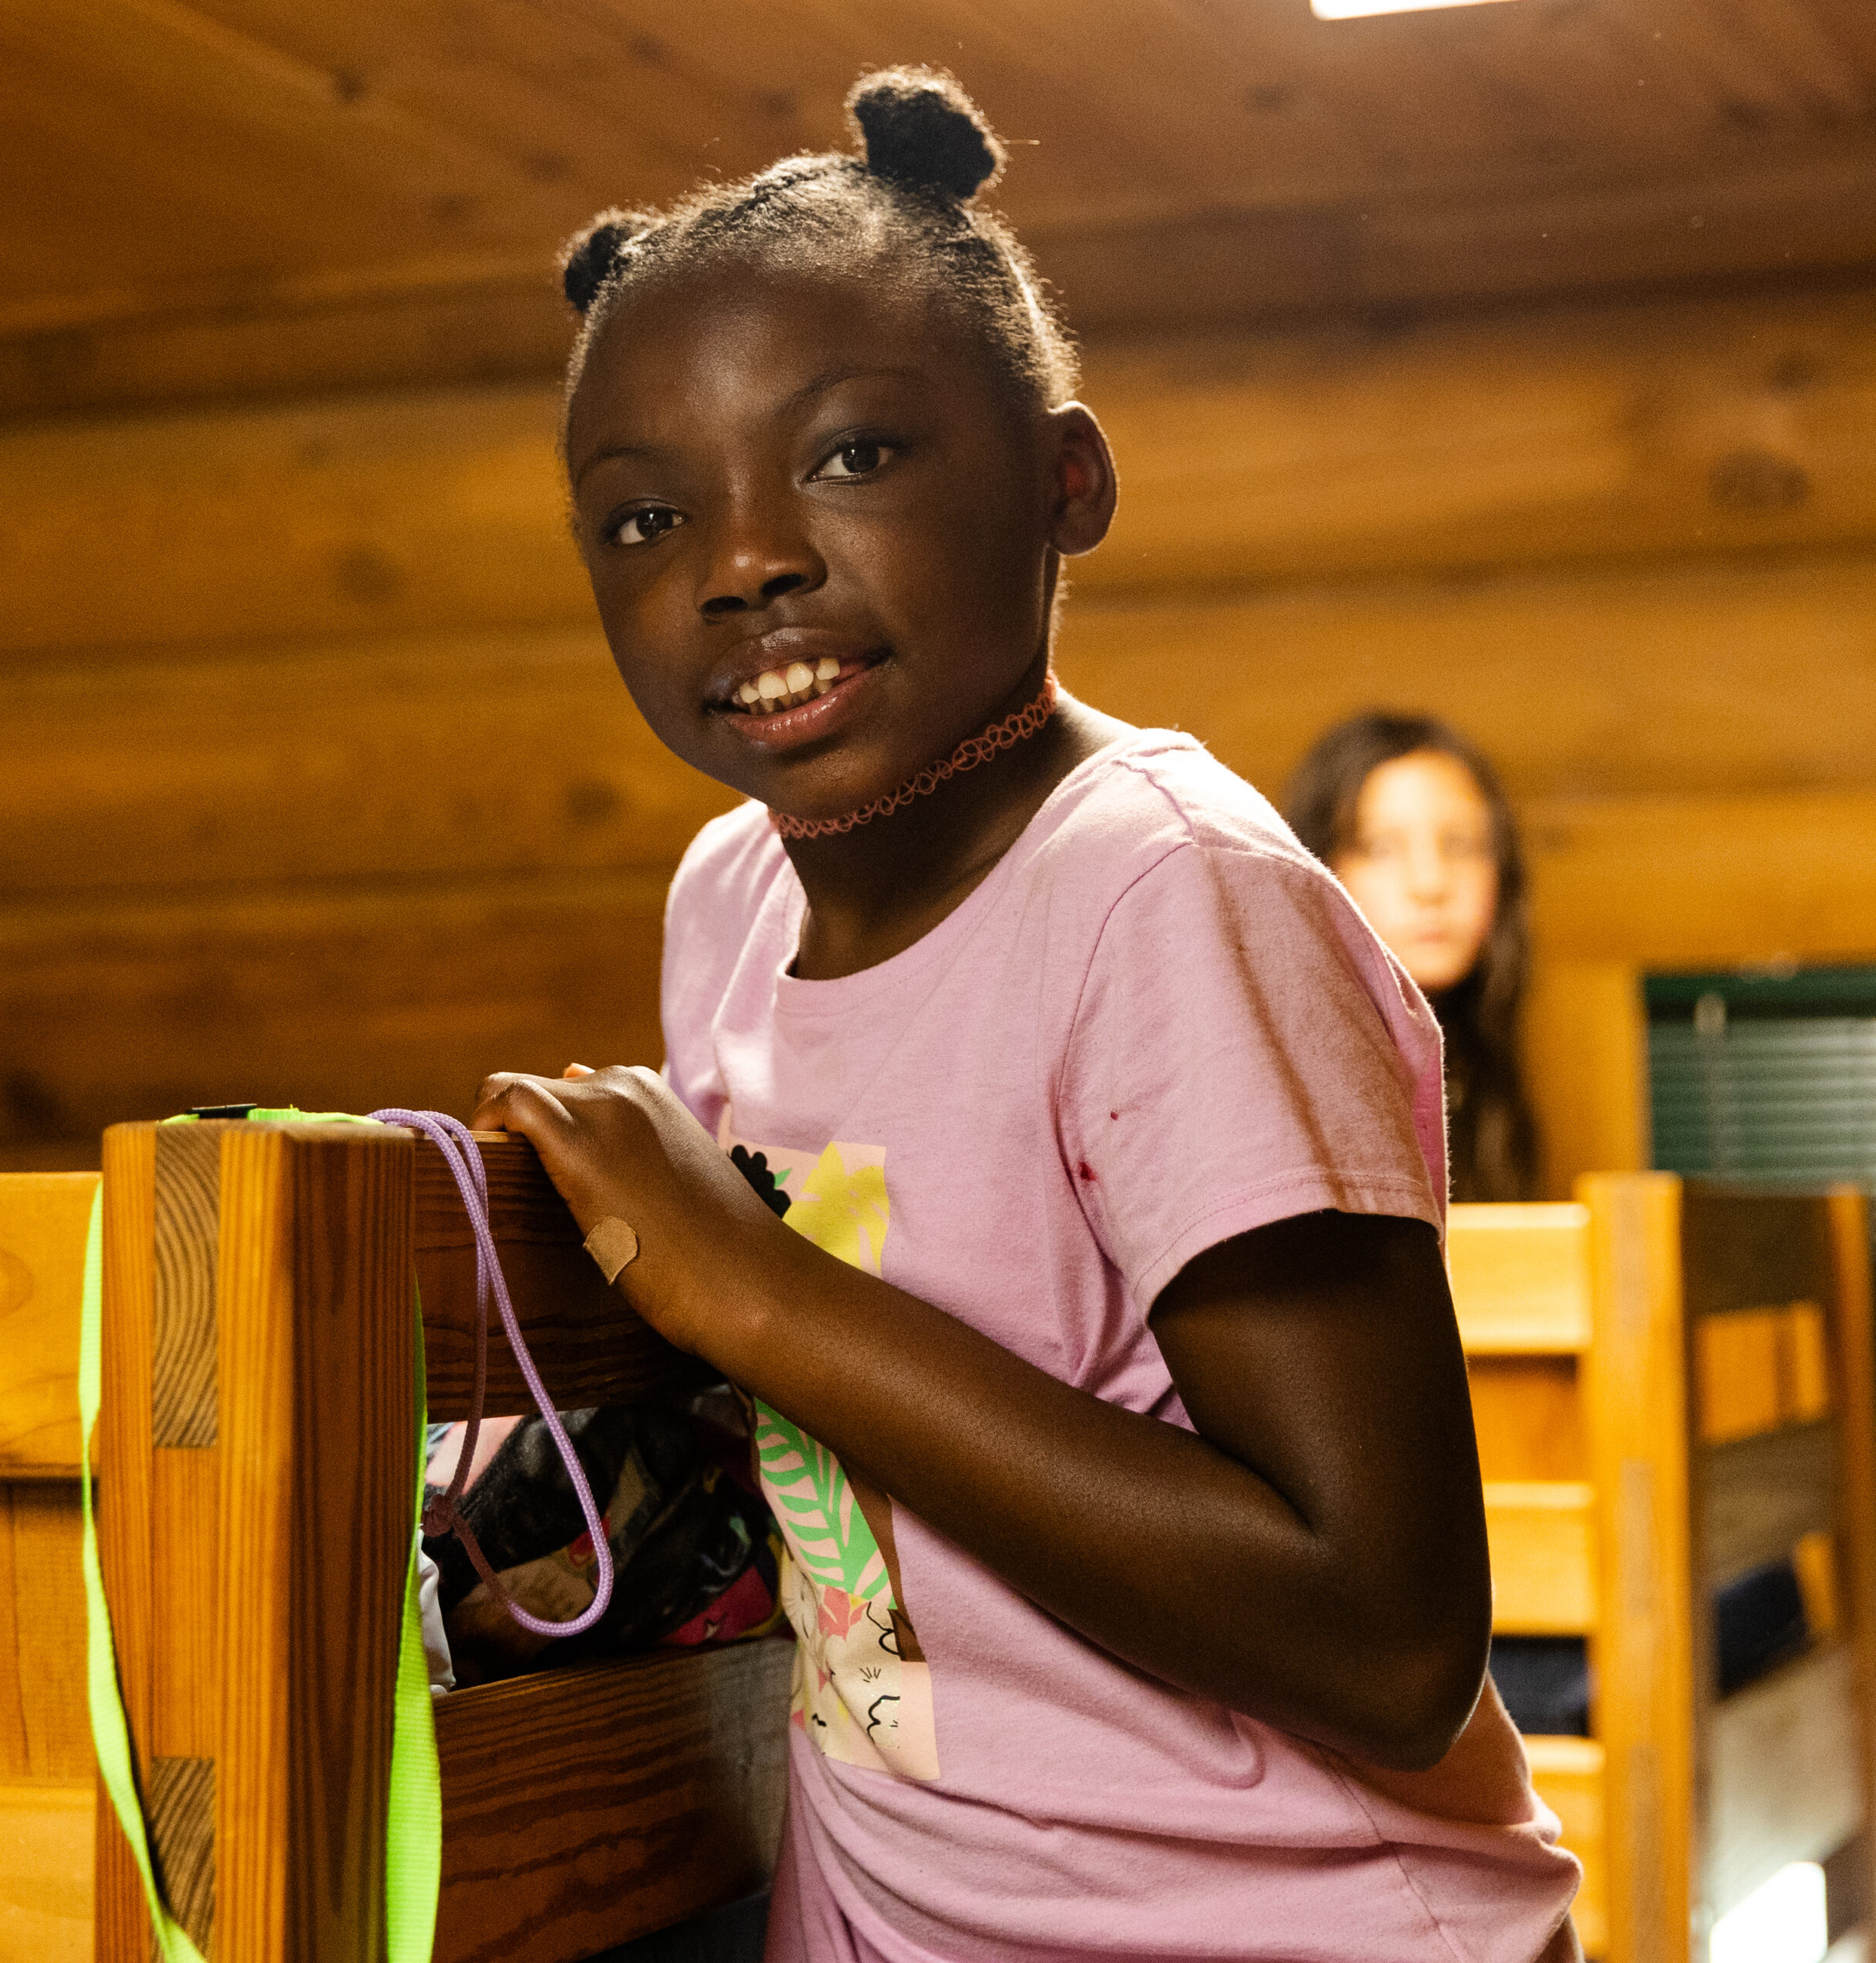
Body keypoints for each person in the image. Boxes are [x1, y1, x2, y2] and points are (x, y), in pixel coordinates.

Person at [469, 68, 1579, 1963]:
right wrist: (560, 1537)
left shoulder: (1166, 901)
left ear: (1065, 479)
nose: (741, 560)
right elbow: (825, 1467)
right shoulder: (724, 898)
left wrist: (757, 1289)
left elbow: (1387, 1643)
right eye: (644, 515)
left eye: (850, 456)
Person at [1281, 716, 1538, 1202]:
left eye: (1460, 846)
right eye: (1381, 849)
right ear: (1313, 870)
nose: (1430, 884)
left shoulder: (1481, 1082)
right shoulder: (1279, 1099)